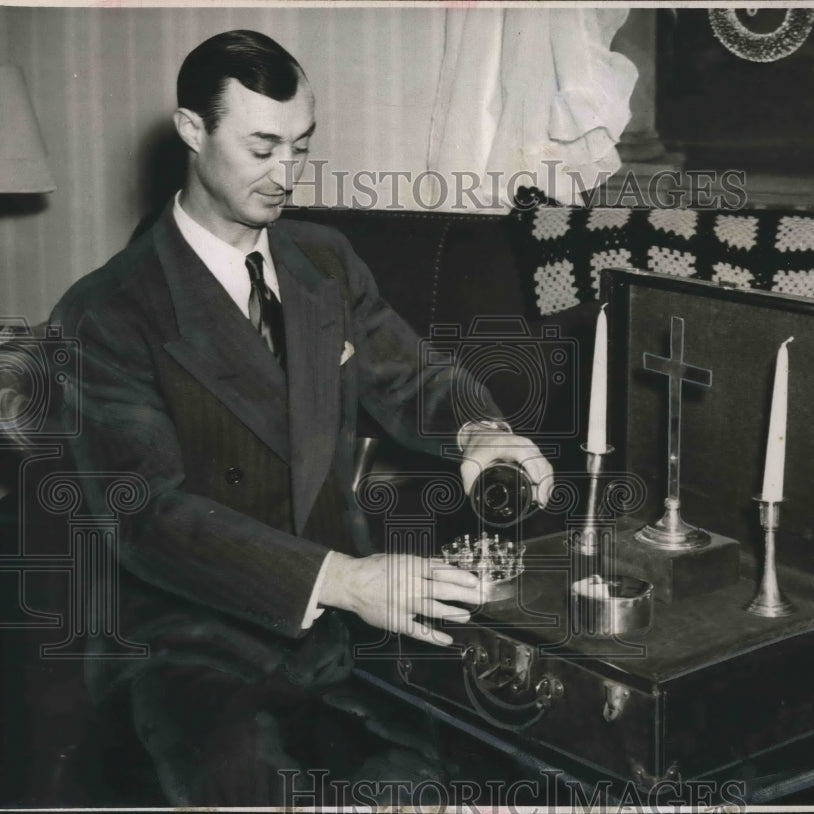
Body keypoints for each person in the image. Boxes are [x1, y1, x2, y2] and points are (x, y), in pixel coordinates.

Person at [49, 29, 553, 806]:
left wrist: (481, 433)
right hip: (187, 643)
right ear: (192, 130)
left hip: (340, 634)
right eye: (261, 148)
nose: (287, 175)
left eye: (301, 146)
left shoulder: (324, 259)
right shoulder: (105, 312)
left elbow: (413, 375)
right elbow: (148, 517)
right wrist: (343, 579)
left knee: (501, 760)